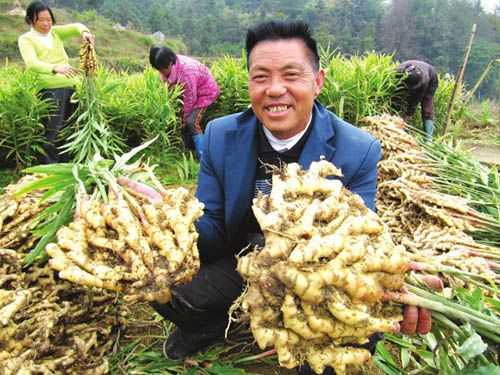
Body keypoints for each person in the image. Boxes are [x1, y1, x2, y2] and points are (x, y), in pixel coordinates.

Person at [152, 21, 432, 375]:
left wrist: (400, 273)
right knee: (155, 278)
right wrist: (165, 220)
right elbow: (211, 227)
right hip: (241, 258)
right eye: (261, 77)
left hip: (313, 274)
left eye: (291, 75)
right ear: (249, 83)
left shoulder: (357, 149)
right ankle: (206, 324)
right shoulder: (221, 135)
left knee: (351, 332)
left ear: (318, 82)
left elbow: (364, 239)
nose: (275, 89)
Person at [18, 1, 95, 164]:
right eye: (41, 20)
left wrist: (84, 32)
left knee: (69, 128)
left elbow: (76, 26)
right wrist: (55, 68)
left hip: (70, 86)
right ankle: (49, 166)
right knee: (52, 129)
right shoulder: (26, 39)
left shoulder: (55, 33)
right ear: (31, 20)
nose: (46, 24)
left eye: (49, 19)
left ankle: (67, 164)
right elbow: (31, 63)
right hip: (50, 89)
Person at [149, 46, 220, 160]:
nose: (161, 73)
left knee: (191, 121)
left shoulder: (187, 71)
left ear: (170, 63)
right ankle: (189, 151)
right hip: (189, 92)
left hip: (205, 93)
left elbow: (190, 97)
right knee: (181, 118)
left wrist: (184, 116)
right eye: (158, 70)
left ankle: (203, 158)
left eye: (162, 70)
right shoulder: (168, 63)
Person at [396, 60, 439, 140]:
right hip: (411, 75)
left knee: (427, 105)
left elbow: (415, 102)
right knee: (401, 100)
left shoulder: (424, 81)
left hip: (431, 77)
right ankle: (401, 127)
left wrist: (407, 117)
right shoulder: (398, 72)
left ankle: (429, 139)